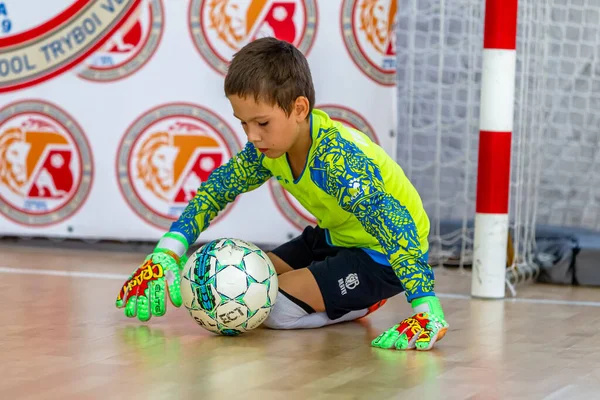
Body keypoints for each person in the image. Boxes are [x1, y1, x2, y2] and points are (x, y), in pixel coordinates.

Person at [115, 37, 449, 351]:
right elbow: (214, 192)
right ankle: (335, 290)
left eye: (262, 123)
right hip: (336, 236)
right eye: (244, 124)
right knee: (246, 279)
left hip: (382, 254)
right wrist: (165, 253)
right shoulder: (266, 151)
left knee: (268, 308)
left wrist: (426, 305)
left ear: (300, 109)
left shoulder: (337, 161)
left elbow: (396, 225)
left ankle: (361, 302)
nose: (253, 136)